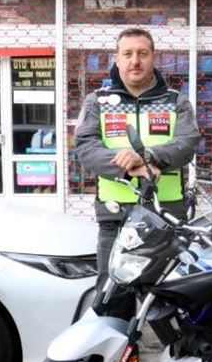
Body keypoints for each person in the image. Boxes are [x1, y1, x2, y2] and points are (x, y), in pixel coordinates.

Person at [75, 28, 199, 317]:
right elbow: (86, 147)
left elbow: (187, 142)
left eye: (142, 53)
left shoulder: (176, 101)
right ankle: (118, 347)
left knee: (172, 305)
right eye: (127, 54)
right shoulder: (98, 101)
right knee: (112, 304)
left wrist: (150, 156)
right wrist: (131, 166)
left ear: (154, 57)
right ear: (117, 59)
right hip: (116, 219)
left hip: (167, 218)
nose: (135, 61)